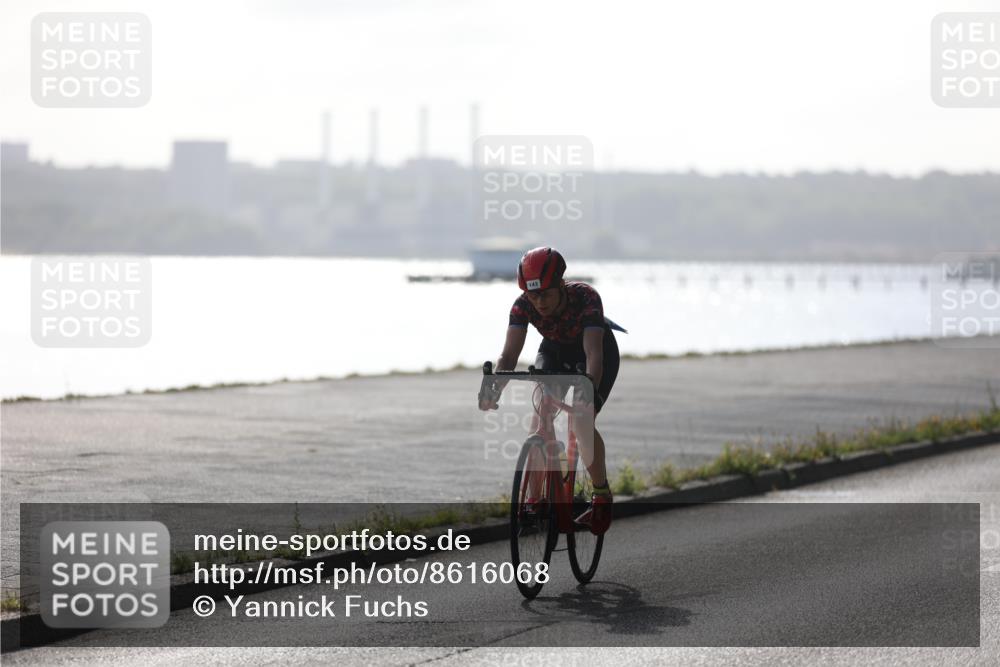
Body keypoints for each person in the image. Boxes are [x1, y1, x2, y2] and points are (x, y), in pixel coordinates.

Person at [478, 247, 621, 535]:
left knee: (581, 421)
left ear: (561, 285)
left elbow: (594, 354)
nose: (539, 302)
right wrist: (495, 388)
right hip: (554, 351)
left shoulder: (586, 297)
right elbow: (508, 357)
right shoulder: (522, 305)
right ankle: (535, 500)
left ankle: (601, 495)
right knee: (541, 413)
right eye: (533, 295)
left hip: (593, 350)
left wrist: (588, 390)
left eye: (545, 294)